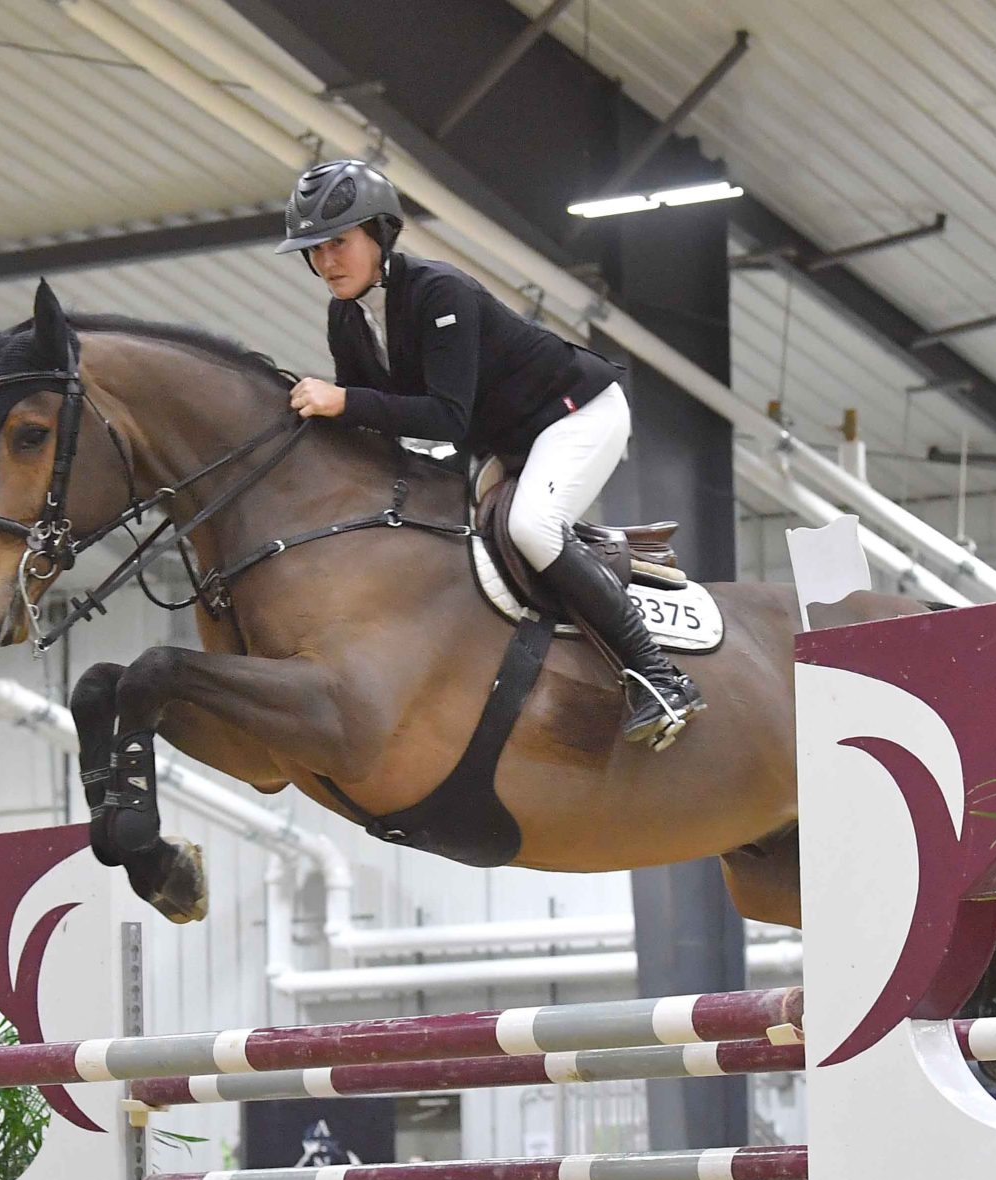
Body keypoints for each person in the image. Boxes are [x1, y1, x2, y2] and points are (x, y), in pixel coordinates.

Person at [278, 158, 703, 748]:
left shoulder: (438, 292)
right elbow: (372, 426)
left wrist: (343, 402)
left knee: (531, 526)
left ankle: (659, 676)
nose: (326, 262)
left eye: (338, 243)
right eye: (315, 249)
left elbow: (444, 415)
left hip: (576, 415)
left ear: (379, 235)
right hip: (503, 436)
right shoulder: (344, 318)